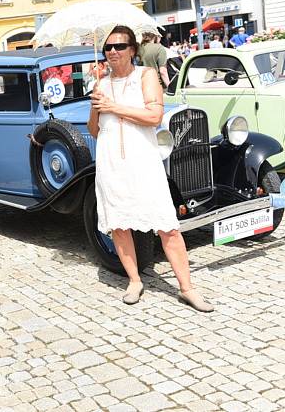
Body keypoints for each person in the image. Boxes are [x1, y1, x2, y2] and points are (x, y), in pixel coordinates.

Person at [87, 25, 213, 312]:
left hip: (142, 161)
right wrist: (96, 105)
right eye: (108, 48)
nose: (112, 52)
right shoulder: (101, 85)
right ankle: (134, 280)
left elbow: (154, 116)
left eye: (119, 46)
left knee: (166, 225)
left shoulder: (145, 75)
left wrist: (113, 106)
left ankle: (187, 288)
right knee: (118, 225)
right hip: (110, 162)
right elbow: (94, 130)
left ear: (132, 50)